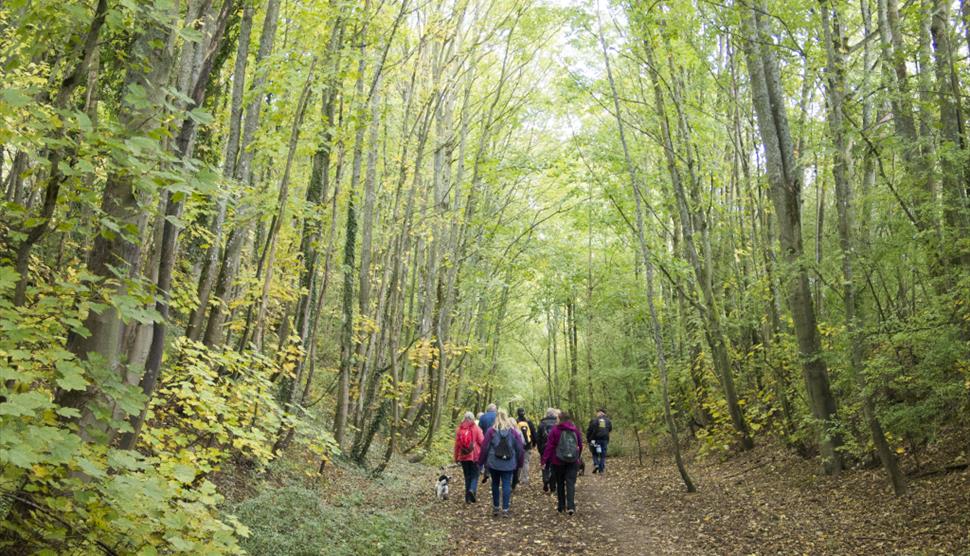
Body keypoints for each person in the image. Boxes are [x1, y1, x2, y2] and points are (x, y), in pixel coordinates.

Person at [477, 410, 524, 517]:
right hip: (509, 463)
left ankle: (496, 508)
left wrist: (481, 462)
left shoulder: (491, 431)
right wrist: (519, 463)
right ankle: (506, 509)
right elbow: (520, 448)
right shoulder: (513, 432)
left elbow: (485, 448)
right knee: (507, 484)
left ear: (496, 418)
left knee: (495, 484)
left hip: (494, 463)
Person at [542, 411, 583, 515]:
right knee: (570, 483)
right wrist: (577, 456)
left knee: (560, 483)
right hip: (573, 461)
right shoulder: (575, 430)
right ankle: (571, 506)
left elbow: (549, 447)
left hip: (558, 461)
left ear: (559, 419)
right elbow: (580, 445)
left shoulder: (555, 430)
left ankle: (561, 506)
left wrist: (544, 460)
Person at [453, 411, 485, 504]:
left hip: (463, 457)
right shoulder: (476, 428)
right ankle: (472, 490)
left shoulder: (459, 429)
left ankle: (467, 499)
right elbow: (482, 442)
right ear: (473, 418)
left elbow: (457, 445)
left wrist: (456, 457)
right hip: (474, 456)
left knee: (467, 477)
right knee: (475, 475)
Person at [535, 408, 559, 493]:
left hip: (544, 448)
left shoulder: (542, 424)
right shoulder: (557, 423)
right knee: (554, 466)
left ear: (546, 414)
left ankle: (545, 480)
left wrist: (540, 449)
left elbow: (538, 438)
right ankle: (553, 486)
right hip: (555, 449)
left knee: (545, 465)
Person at [514, 408, 537, 486]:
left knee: (518, 462)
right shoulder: (529, 422)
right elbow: (533, 433)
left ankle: (516, 478)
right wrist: (534, 443)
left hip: (518, 445)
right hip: (527, 445)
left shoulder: (515, 422)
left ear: (517, 413)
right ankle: (525, 479)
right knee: (526, 462)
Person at [586, 408, 613, 474]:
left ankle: (596, 464)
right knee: (602, 455)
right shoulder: (608, 421)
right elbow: (610, 429)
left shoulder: (594, 420)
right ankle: (601, 470)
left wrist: (589, 439)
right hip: (605, 440)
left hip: (595, 440)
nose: (596, 414)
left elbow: (590, 430)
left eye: (597, 412)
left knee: (594, 453)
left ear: (600, 412)